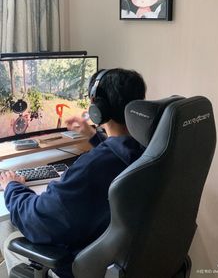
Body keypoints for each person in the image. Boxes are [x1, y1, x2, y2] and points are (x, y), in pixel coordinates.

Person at [0, 68, 146, 278]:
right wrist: (94, 137)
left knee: (9, 238)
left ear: (99, 109)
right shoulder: (148, 149)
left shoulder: (91, 168)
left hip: (79, 263)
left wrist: (12, 186)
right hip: (118, 256)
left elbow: (37, 219)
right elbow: (118, 153)